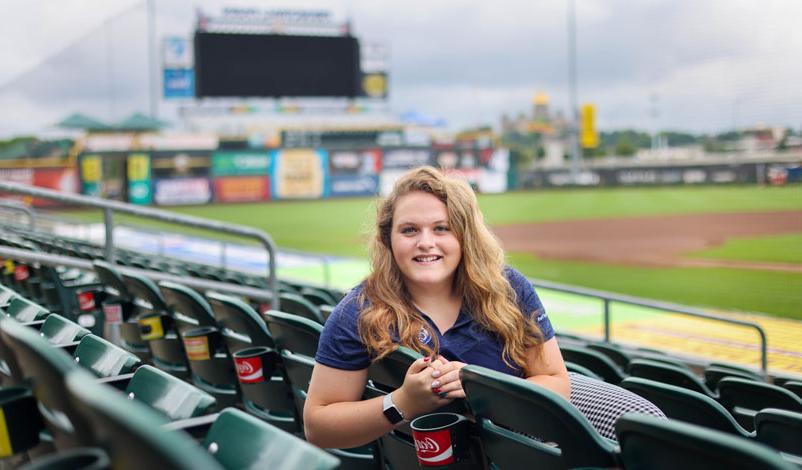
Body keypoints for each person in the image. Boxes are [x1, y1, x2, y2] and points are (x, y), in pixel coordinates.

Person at [304, 166, 570, 449]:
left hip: (521, 435)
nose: (426, 243)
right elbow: (317, 426)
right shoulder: (357, 311)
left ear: (464, 236)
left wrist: (483, 389)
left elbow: (558, 384)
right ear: (387, 239)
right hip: (475, 454)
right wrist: (402, 402)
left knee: (621, 417)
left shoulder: (509, 287)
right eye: (409, 230)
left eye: (441, 228)